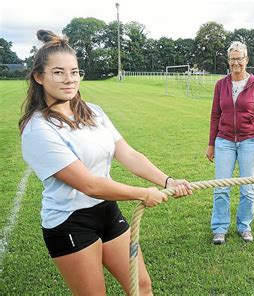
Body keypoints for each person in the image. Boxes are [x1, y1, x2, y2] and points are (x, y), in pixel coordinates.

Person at [19, 30, 193, 295]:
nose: (69, 79)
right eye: (58, 72)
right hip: (70, 222)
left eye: (75, 71)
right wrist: (143, 193)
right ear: (39, 77)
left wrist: (167, 180)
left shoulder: (93, 111)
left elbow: (128, 154)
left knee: (141, 287)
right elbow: (89, 185)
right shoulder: (38, 129)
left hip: (107, 211)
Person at [206, 41, 254, 245]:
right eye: (232, 59)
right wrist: (211, 144)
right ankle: (219, 229)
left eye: (239, 59)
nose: (236, 63)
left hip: (250, 142)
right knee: (221, 187)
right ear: (228, 61)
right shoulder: (220, 85)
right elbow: (215, 115)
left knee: (247, 188)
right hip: (224, 141)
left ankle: (244, 226)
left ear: (246, 60)